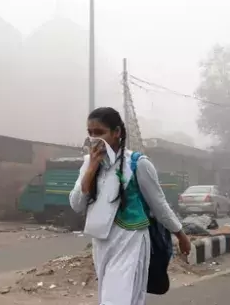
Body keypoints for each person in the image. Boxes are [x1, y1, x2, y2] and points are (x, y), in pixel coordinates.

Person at [69, 107, 191, 305]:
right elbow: (76, 204)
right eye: (90, 133)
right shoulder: (89, 164)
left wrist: (180, 234)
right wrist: (91, 169)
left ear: (117, 133)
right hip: (102, 242)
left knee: (118, 299)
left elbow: (159, 205)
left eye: (99, 133)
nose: (94, 139)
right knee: (114, 297)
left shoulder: (138, 164)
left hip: (131, 240)